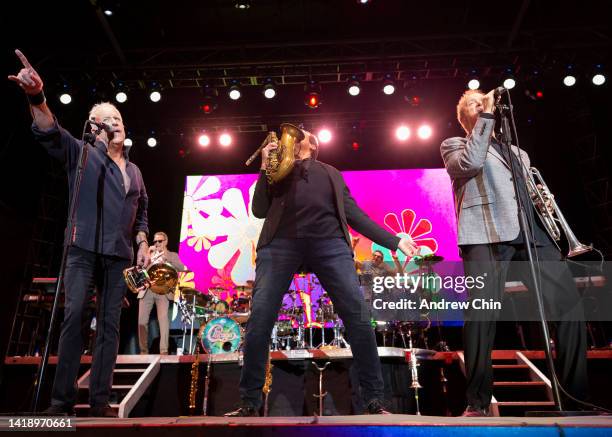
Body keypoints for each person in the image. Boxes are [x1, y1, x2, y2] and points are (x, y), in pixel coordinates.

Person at [224, 127, 418, 416]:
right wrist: (265, 166)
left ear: (312, 145)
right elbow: (260, 210)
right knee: (261, 318)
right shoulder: (278, 170)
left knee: (358, 317)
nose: (288, 136)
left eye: (298, 133)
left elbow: (355, 215)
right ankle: (249, 403)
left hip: (329, 244)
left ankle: (375, 400)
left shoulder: (330, 173)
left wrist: (395, 240)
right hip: (280, 244)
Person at [9, 49, 150, 417]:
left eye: (118, 118)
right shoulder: (82, 153)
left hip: (118, 253)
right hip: (82, 247)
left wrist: (142, 242)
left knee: (108, 327)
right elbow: (47, 130)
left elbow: (142, 213)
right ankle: (61, 402)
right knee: (73, 319)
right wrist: (36, 96)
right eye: (107, 119)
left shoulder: (134, 171)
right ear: (93, 125)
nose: (116, 123)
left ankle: (100, 401)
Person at [440, 88, 587, 416]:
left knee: (570, 308)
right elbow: (471, 163)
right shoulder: (455, 145)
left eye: (486, 105)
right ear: (469, 119)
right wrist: (486, 117)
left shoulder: (518, 152)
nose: (487, 108)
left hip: (532, 233)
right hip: (485, 235)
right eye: (479, 107)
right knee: (482, 314)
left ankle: (576, 396)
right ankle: (477, 402)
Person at [138, 232, 185, 355]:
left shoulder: (172, 255)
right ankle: (143, 352)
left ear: (165, 241)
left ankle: (163, 351)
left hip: (163, 291)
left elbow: (182, 267)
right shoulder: (148, 254)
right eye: (155, 242)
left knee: (163, 321)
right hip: (147, 290)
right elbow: (139, 268)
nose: (157, 244)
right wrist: (148, 254)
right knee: (141, 322)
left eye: (160, 241)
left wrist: (166, 259)